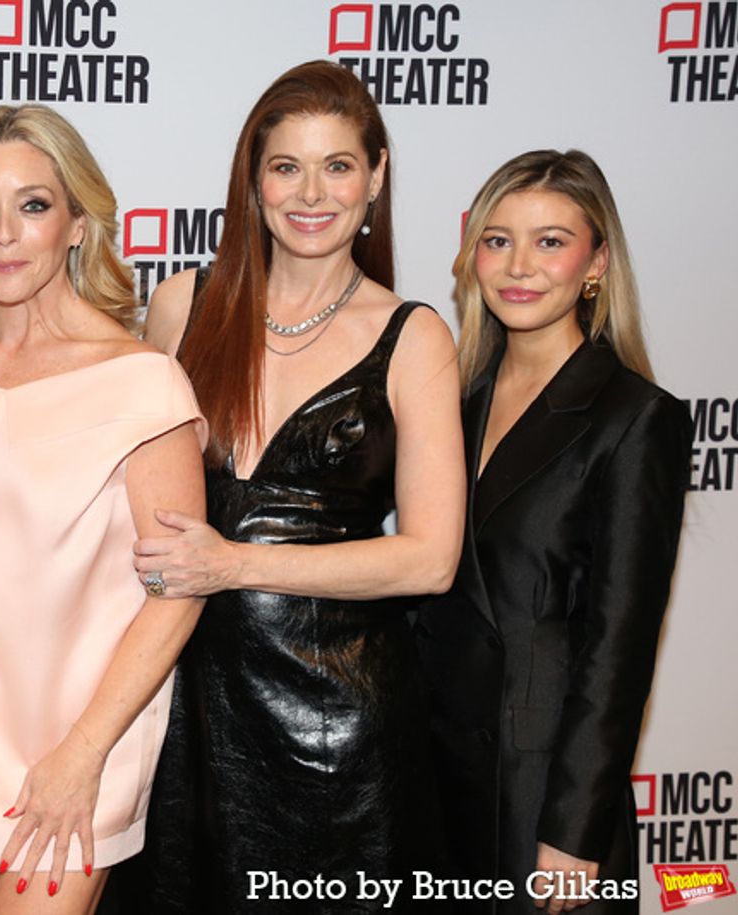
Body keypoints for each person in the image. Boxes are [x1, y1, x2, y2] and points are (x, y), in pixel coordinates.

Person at [123, 60, 465, 913]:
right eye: (287, 167)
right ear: (254, 180)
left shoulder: (413, 336)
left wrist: (232, 563)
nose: (312, 192)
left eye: (339, 165)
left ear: (376, 176)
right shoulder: (180, 307)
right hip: (184, 716)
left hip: (337, 729)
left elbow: (430, 559)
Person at [0, 104, 207, 915]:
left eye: (32, 205)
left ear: (78, 223)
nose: (4, 235)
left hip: (76, 751)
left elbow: (181, 590)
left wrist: (81, 756)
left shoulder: (140, 382)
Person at [414, 150, 692, 914]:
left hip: (543, 792)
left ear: (595, 261)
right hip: (439, 780)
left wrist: (574, 831)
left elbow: (619, 648)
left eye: (550, 241)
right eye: (497, 240)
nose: (519, 266)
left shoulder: (635, 417)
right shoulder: (450, 400)